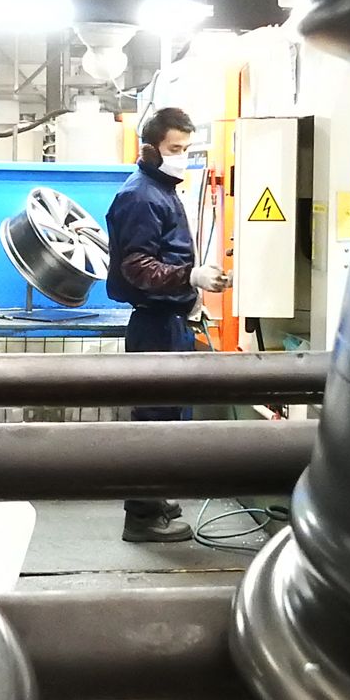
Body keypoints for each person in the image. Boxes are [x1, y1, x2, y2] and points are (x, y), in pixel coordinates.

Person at [105, 106, 231, 543]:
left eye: (187, 148)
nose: (183, 156)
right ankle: (140, 516)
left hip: (170, 319)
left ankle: (154, 499)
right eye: (175, 149)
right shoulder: (141, 196)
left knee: (167, 415)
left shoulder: (162, 190)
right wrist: (189, 277)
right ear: (151, 150)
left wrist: (192, 290)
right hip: (155, 324)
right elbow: (138, 267)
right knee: (154, 421)